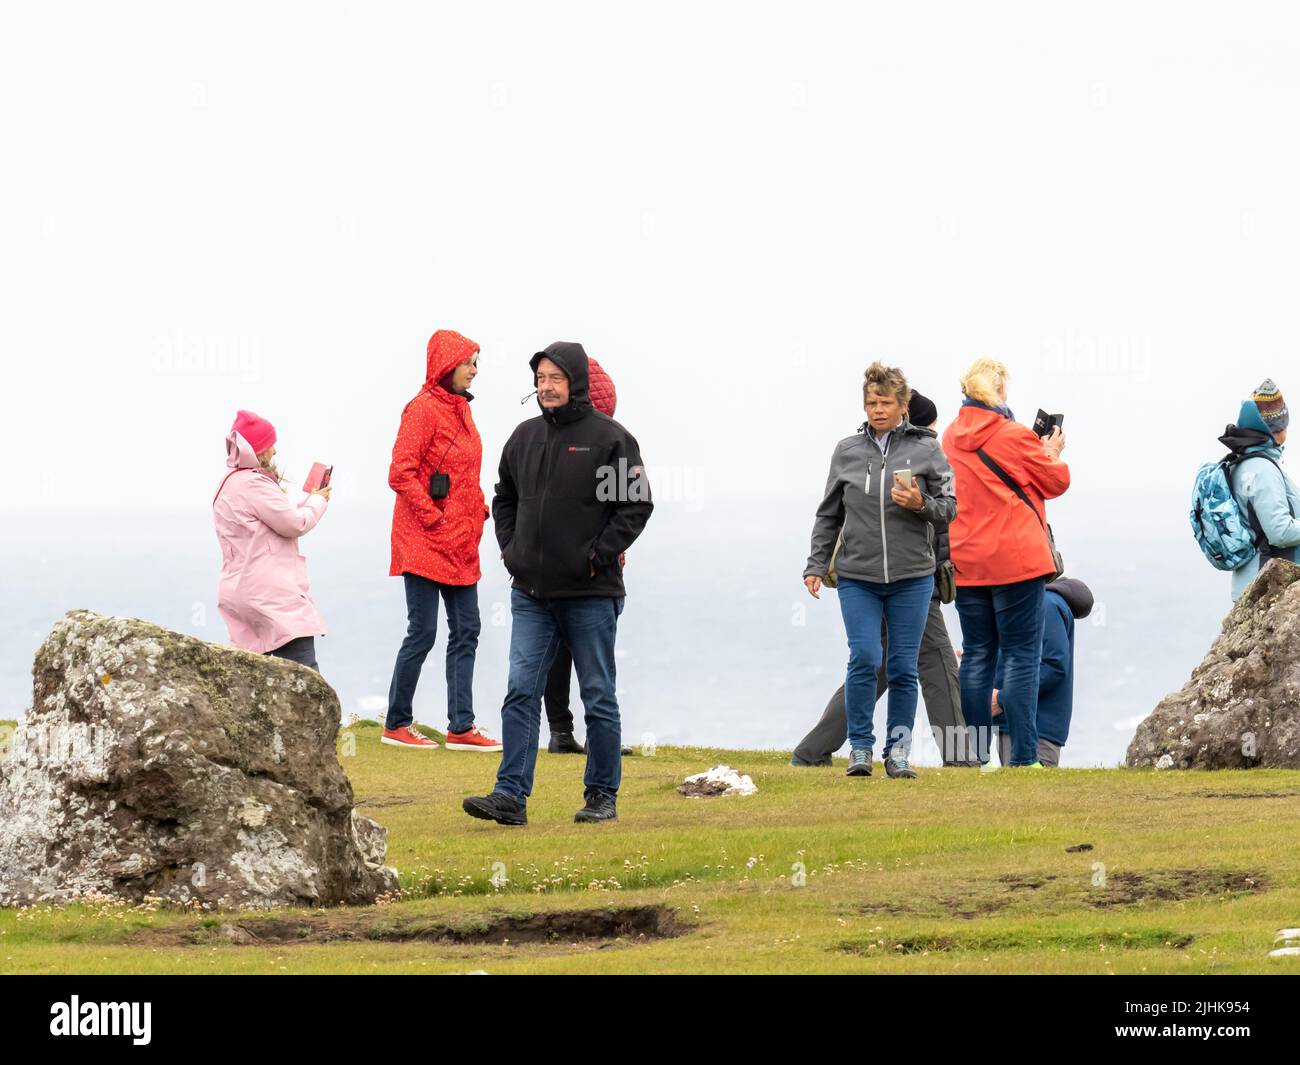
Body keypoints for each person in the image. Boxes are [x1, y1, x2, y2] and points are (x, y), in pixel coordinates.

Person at [463, 342, 654, 825]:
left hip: (591, 592)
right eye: (541, 378)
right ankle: (510, 796)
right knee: (520, 691)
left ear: (575, 382)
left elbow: (634, 506)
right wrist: (512, 550)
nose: (546, 386)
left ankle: (601, 796)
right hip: (530, 593)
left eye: (555, 378)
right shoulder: (524, 437)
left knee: (597, 694)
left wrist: (596, 556)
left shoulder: (609, 438)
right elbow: (504, 498)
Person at [792, 390, 974, 767]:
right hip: (903, 579)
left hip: (911, 577)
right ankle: (959, 759)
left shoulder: (923, 454)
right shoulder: (907, 450)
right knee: (935, 663)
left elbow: (942, 514)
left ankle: (812, 752)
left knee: (875, 667)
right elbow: (834, 513)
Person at [941, 357, 1070, 768]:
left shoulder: (948, 439)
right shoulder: (1014, 436)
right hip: (1016, 561)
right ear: (999, 392)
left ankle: (975, 757)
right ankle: (1025, 758)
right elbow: (1056, 481)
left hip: (968, 560)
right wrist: (1049, 451)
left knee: (978, 654)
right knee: (1020, 655)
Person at [382, 330, 501, 752]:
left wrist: (479, 510)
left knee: (467, 629)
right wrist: (433, 516)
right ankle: (396, 722)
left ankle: (460, 727)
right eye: (469, 362)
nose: (474, 370)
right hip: (424, 538)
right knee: (423, 631)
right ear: (447, 364)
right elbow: (401, 472)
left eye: (475, 363)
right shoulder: (422, 409)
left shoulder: (462, 411)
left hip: (461, 540)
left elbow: (467, 473)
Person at [544, 355, 625, 754]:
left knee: (558, 656)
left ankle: (561, 731)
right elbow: (621, 506)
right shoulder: (608, 437)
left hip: (573, 566)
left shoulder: (563, 436)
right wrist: (605, 552)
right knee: (595, 659)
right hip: (589, 571)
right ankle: (593, 736)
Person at [213, 410, 330, 671]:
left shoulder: (229, 483)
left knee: (251, 676)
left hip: (238, 590)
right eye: (270, 444)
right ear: (257, 449)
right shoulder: (254, 484)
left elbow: (276, 518)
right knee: (304, 674)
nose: (274, 451)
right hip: (270, 594)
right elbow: (295, 523)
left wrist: (309, 500)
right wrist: (319, 501)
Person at [991, 577, 1094, 767]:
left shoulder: (1047, 604)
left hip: (1034, 729)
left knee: (1025, 794)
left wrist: (1003, 699)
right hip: (1030, 725)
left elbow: (1053, 665)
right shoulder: (1047, 605)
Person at [1223, 380, 1300, 602]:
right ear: (1278, 427)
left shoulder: (1242, 463)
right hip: (1266, 588)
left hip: (1251, 583)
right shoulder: (1262, 469)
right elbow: (1279, 531)